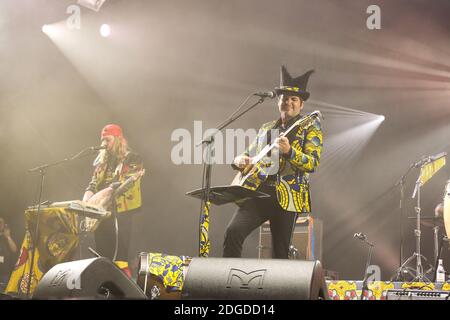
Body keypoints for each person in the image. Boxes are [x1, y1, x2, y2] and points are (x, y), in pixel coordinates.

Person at [223, 65, 323, 259]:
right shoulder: (266, 128)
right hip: (258, 193)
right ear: (278, 102)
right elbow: (246, 154)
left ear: (301, 104)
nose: (288, 102)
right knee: (233, 232)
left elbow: (313, 163)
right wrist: (238, 160)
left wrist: (290, 152)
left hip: (288, 198)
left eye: (294, 99)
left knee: (280, 253)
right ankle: (230, 285)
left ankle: (278, 290)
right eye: (284, 98)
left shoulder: (310, 127)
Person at [82, 124, 144, 277]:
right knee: (102, 254)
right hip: (101, 212)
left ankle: (121, 289)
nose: (103, 144)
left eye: (107, 140)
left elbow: (125, 182)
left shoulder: (132, 158)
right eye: (102, 140)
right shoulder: (102, 162)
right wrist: (86, 203)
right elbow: (93, 183)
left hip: (119, 212)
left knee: (118, 256)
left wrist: (103, 194)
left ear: (118, 139)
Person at [0, 217, 18, 288]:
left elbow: (15, 250)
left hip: (5, 272)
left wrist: (8, 237)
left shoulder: (8, 236)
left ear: (4, 224)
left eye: (1, 222)